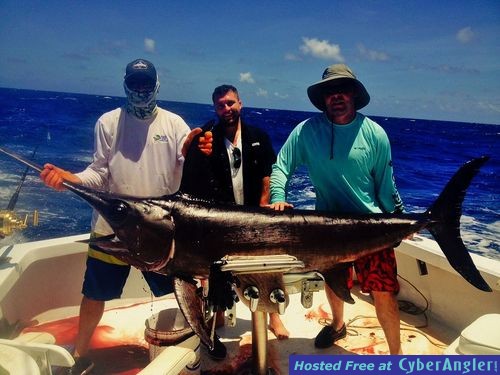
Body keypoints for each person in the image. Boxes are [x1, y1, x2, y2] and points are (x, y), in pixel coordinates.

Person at [40, 58, 205, 374]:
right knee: (93, 296)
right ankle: (80, 355)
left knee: (183, 292)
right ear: (125, 85)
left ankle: (200, 339)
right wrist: (69, 178)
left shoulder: (175, 125)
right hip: (113, 230)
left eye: (146, 84)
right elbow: (99, 173)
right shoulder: (107, 122)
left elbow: (191, 168)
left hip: (160, 233)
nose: (141, 90)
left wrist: (203, 150)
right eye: (135, 84)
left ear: (156, 85)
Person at [269, 64, 404, 354]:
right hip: (328, 227)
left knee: (384, 292)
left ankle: (397, 357)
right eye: (330, 91)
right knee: (333, 281)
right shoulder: (306, 131)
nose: (337, 96)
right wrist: (278, 195)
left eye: (342, 89)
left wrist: (397, 220)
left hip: (371, 228)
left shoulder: (375, 134)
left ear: (354, 94)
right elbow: (282, 166)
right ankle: (338, 325)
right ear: (323, 99)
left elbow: (385, 185)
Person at [181, 85, 290, 349]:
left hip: (254, 215)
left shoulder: (258, 136)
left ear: (240, 104)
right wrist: (190, 146)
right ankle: (218, 313)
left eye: (230, 103)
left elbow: (268, 174)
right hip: (222, 219)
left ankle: (273, 317)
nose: (226, 109)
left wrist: (265, 207)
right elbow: (191, 167)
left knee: (265, 269)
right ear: (215, 109)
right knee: (219, 269)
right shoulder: (210, 139)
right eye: (220, 105)